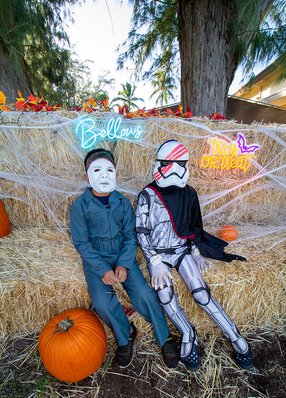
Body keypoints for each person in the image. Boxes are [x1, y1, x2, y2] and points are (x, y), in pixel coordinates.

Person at [135, 140, 253, 372]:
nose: (177, 169)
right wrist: (156, 262)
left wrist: (197, 251)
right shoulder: (147, 195)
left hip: (181, 250)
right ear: (160, 164)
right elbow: (141, 231)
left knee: (201, 293)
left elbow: (192, 227)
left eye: (182, 163)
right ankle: (188, 332)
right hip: (158, 255)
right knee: (165, 295)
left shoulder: (189, 193)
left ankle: (235, 336)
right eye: (171, 163)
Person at [70, 148, 178, 369]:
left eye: (109, 170)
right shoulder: (80, 207)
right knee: (101, 302)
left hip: (122, 253)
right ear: (86, 176)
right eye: (97, 170)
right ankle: (125, 335)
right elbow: (82, 243)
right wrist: (101, 269)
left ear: (116, 174)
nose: (104, 175)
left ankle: (164, 336)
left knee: (145, 293)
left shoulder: (123, 203)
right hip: (96, 258)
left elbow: (131, 236)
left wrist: (124, 263)